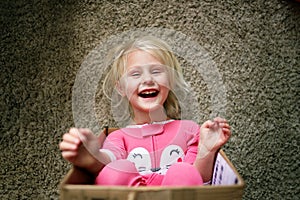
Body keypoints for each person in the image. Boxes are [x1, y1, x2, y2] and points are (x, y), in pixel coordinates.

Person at [59, 36, 231, 186]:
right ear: (120, 88)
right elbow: (110, 157)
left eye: (156, 71)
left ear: (170, 81)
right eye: (135, 74)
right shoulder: (119, 137)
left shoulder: (189, 129)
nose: (148, 79)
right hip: (133, 193)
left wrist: (206, 151)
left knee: (184, 171)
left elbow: (198, 178)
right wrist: (94, 155)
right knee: (117, 169)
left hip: (177, 192)